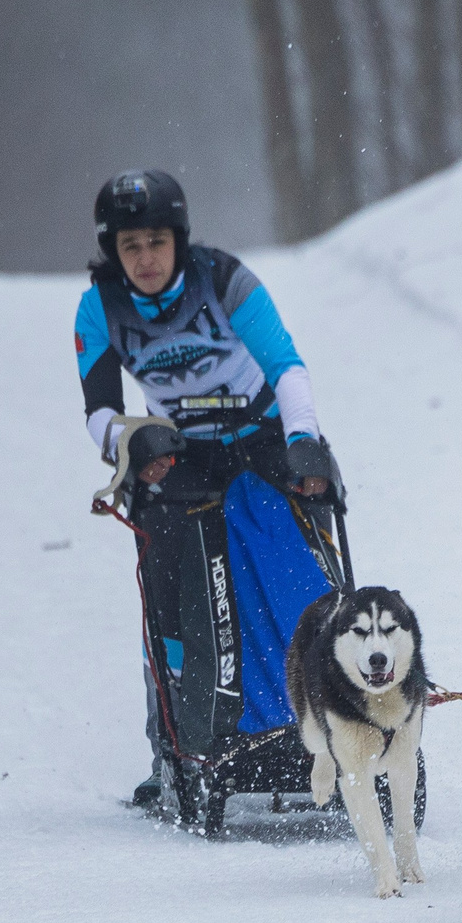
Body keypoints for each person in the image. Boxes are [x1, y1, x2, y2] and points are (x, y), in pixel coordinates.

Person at [76, 169, 342, 811]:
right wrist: (127, 442)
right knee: (172, 598)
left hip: (262, 436)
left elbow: (287, 367)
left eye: (156, 243)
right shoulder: (99, 307)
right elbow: (98, 410)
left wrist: (304, 438)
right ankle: (173, 747)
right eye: (129, 245)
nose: (144, 259)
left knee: (295, 584)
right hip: (181, 453)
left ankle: (329, 728)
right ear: (113, 249)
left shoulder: (225, 281)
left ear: (180, 241)